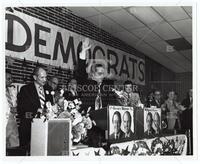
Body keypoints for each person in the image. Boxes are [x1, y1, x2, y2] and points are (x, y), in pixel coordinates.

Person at [17, 66, 50, 155]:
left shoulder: (48, 89)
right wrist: (37, 111)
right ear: (35, 77)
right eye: (42, 77)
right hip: (29, 127)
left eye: (46, 77)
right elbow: (21, 110)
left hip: (45, 127)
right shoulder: (25, 89)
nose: (44, 80)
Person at [76, 38, 115, 112]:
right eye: (99, 73)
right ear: (93, 74)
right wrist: (83, 52)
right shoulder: (86, 85)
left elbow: (111, 105)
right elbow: (81, 72)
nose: (102, 76)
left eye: (103, 74)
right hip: (88, 119)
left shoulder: (107, 89)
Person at [5, 69, 19, 149]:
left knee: (13, 145)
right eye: (8, 78)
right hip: (4, 120)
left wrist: (16, 108)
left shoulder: (12, 91)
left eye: (11, 78)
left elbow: (15, 103)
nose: (11, 81)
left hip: (12, 120)